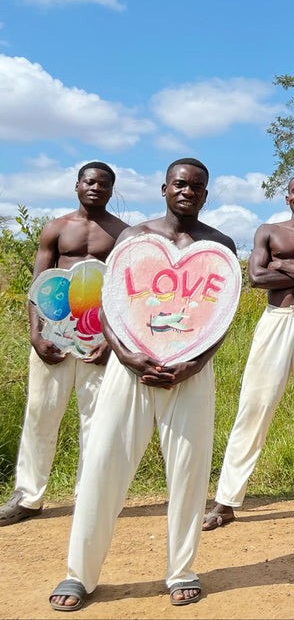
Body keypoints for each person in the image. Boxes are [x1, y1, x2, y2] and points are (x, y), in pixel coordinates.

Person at [48, 158, 237, 611]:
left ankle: (182, 570)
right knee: (102, 468)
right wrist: (127, 356)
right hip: (129, 370)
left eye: (197, 187)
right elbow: (110, 307)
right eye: (179, 184)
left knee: (189, 476)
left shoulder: (220, 245)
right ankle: (80, 574)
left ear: (206, 194)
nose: (187, 192)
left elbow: (221, 318)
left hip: (189, 374)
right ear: (164, 188)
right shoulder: (134, 239)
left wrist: (195, 363)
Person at [203, 173, 294, 531]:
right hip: (275, 321)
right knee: (254, 405)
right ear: (287, 198)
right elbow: (256, 277)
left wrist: (281, 265)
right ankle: (227, 501)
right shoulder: (268, 231)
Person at [0, 162, 128, 527]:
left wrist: (111, 342)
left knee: (98, 419)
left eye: (104, 185)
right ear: (77, 185)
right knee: (40, 414)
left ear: (111, 190)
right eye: (89, 182)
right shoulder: (57, 228)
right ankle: (27, 497)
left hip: (98, 338)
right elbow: (38, 284)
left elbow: (123, 292)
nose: (95, 188)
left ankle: (89, 495)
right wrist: (35, 334)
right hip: (53, 336)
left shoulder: (123, 234)